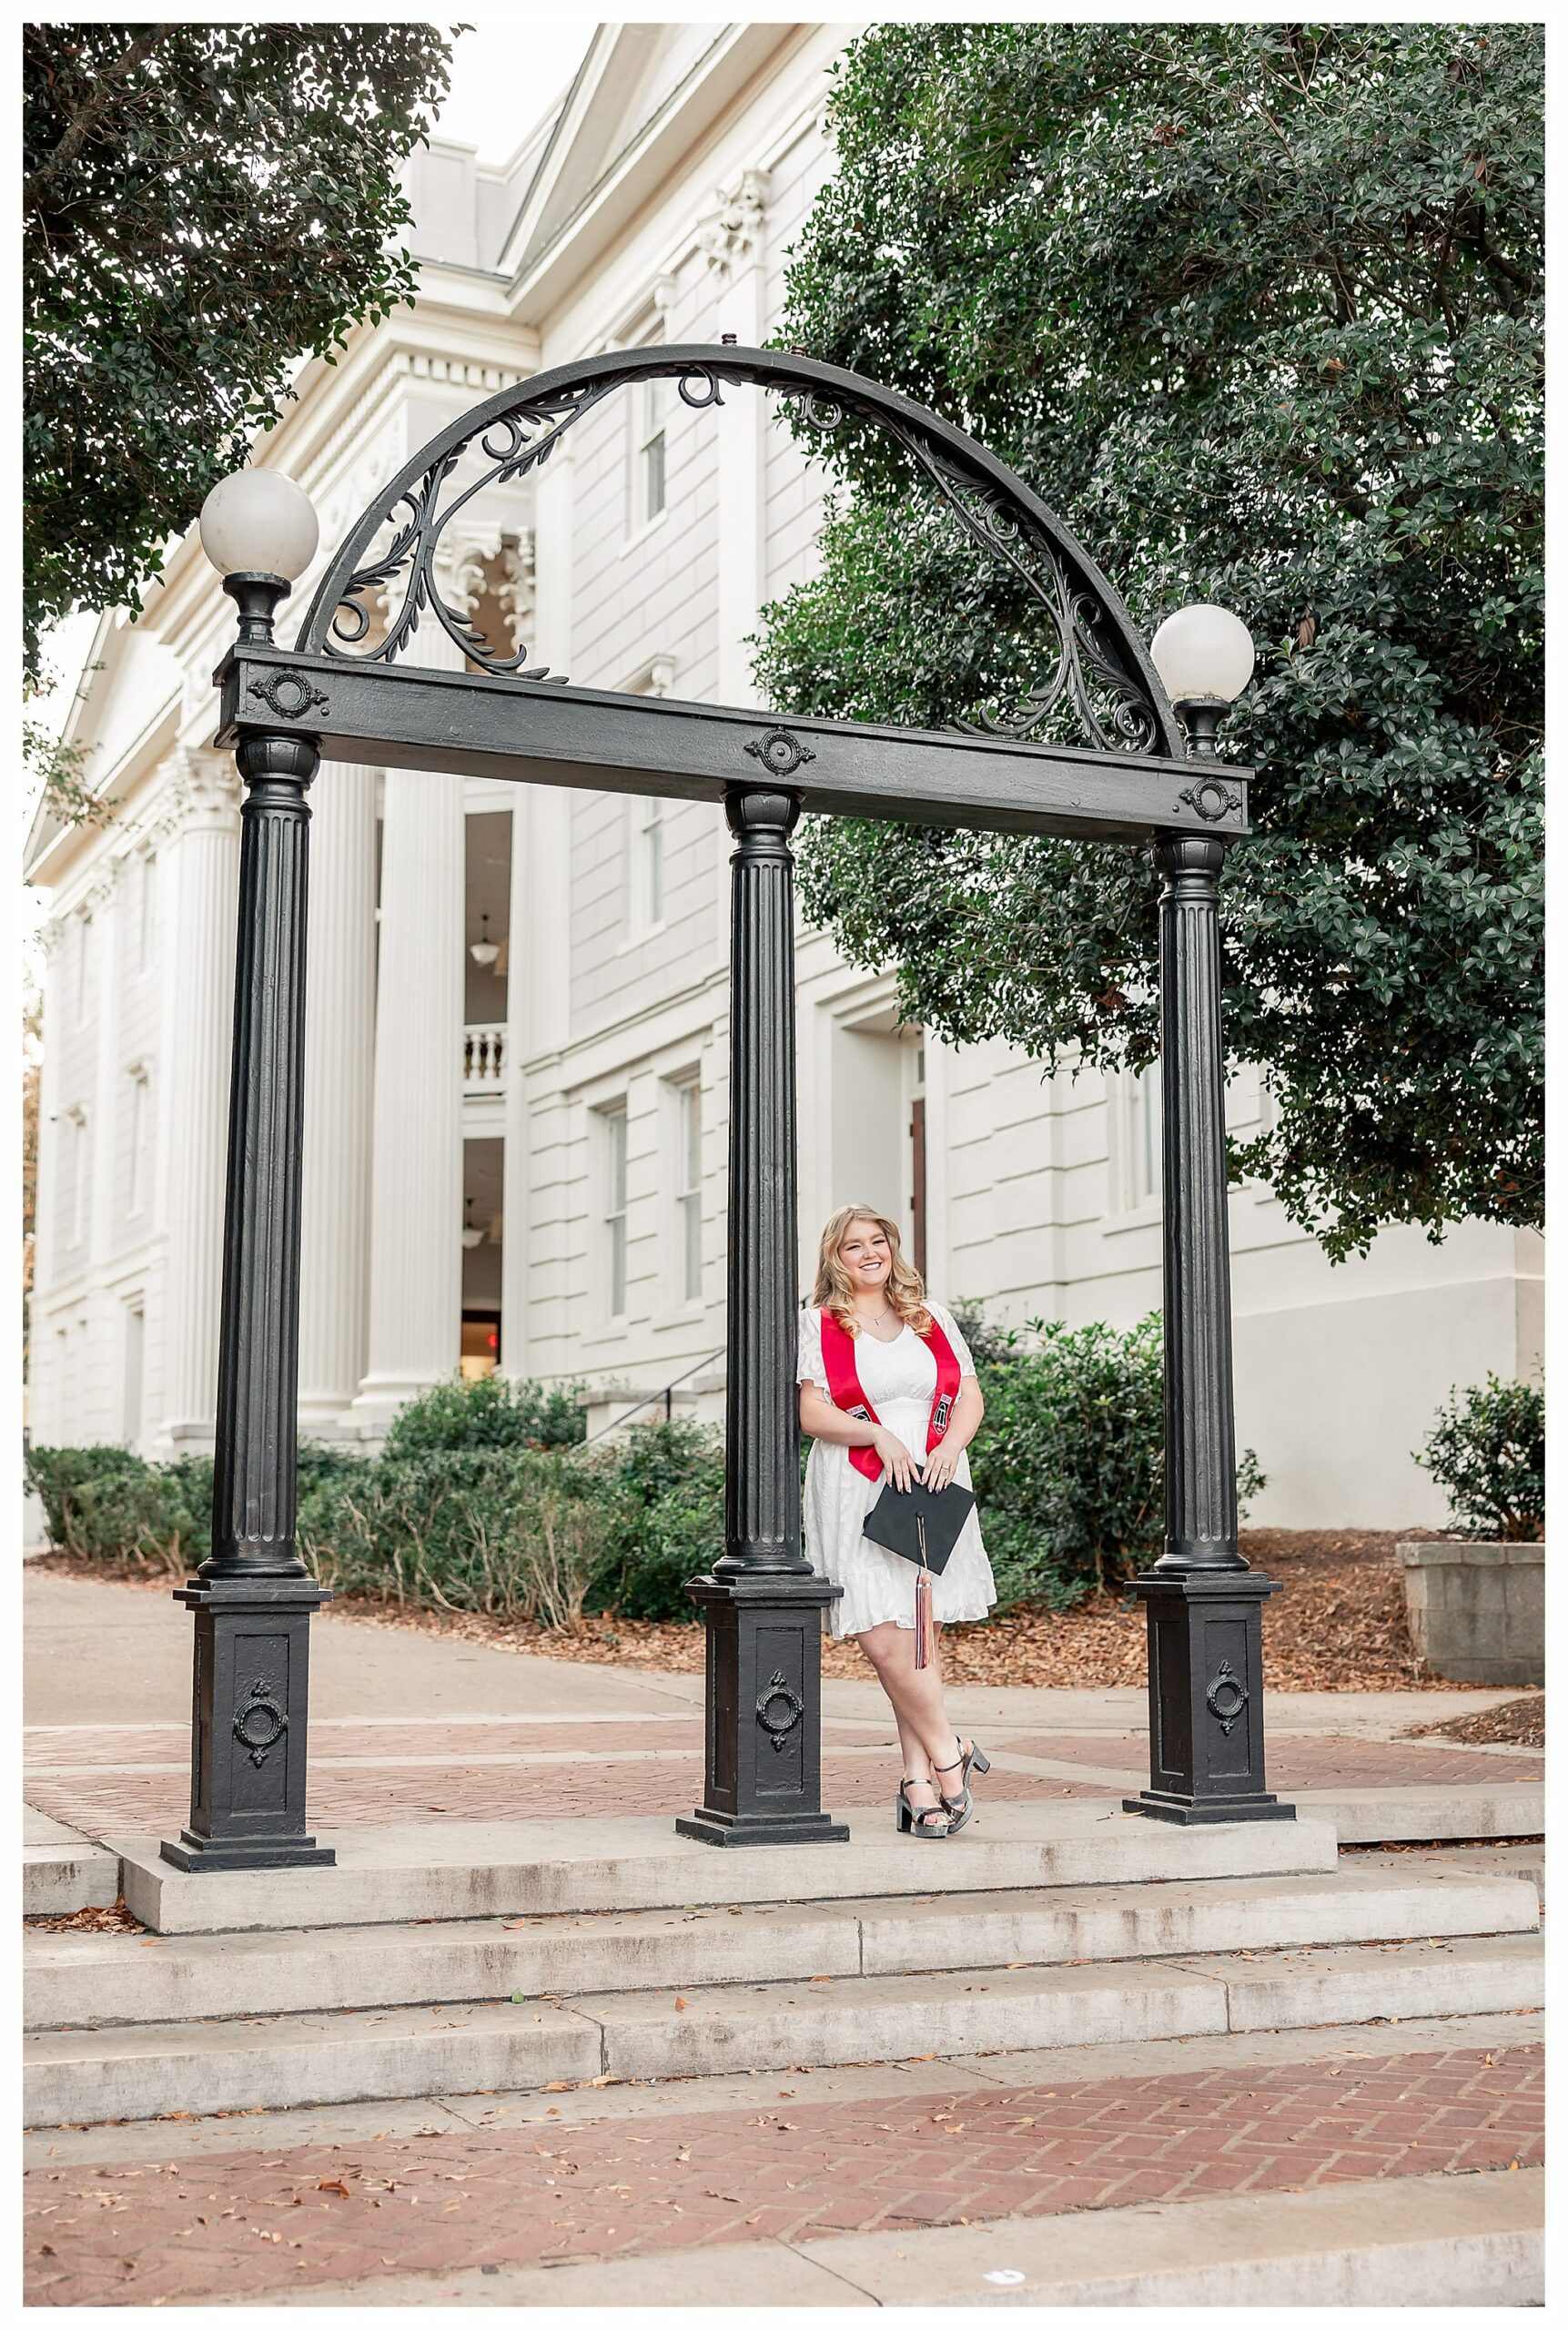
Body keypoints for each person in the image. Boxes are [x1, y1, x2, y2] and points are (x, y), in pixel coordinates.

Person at [798, 1203, 996, 1838]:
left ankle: (918, 1787)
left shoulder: (929, 1316)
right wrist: (875, 1435)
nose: (867, 1252)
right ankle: (949, 1752)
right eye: (853, 1245)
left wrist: (949, 1446)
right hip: (857, 1481)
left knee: (917, 1634)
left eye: (876, 1240)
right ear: (836, 1257)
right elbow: (812, 1412)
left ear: (892, 1247)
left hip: (930, 1480)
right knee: (881, 1635)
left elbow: (967, 1393)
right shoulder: (820, 1324)